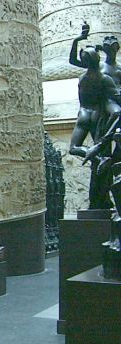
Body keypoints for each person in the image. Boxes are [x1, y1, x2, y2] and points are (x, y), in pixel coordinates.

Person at [68, 24, 120, 209]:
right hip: (98, 115)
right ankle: (99, 159)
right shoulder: (102, 75)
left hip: (89, 114)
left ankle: (100, 199)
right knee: (98, 154)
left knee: (75, 148)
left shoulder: (86, 75)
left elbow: (72, 60)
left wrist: (77, 40)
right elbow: (116, 98)